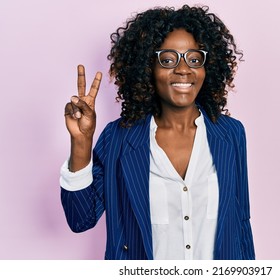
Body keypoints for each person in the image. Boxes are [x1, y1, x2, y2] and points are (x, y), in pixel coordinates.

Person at [60, 4, 255, 260]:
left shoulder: (231, 134)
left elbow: (241, 225)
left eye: (194, 59)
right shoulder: (119, 138)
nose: (183, 69)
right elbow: (80, 219)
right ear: (147, 68)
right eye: (168, 59)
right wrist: (81, 142)